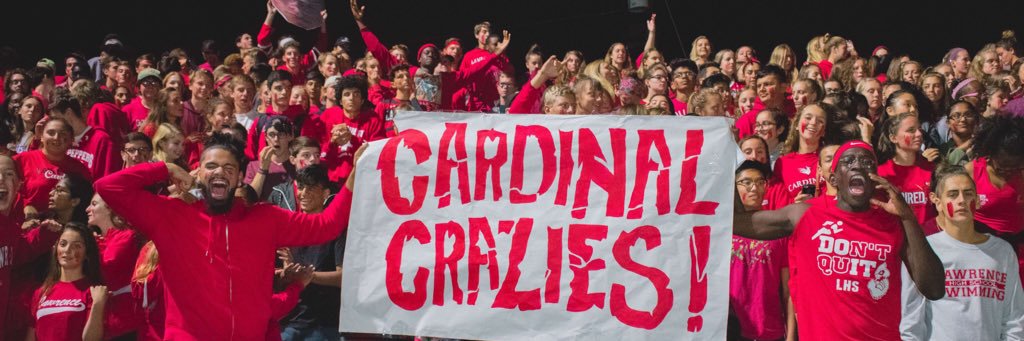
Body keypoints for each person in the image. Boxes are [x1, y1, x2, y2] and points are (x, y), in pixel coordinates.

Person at [93, 131, 356, 339]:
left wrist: (355, 175)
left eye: (229, 168)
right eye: (212, 166)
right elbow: (108, 187)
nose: (220, 172)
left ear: (240, 177)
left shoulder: (267, 218)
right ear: (198, 173)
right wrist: (166, 168)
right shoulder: (170, 215)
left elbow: (327, 225)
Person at [733, 140, 945, 339]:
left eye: (866, 162)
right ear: (833, 179)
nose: (857, 166)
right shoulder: (804, 215)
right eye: (848, 161)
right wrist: (723, 161)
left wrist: (907, 215)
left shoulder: (892, 223)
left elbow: (934, 289)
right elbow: (735, 221)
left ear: (875, 178)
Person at [901, 166, 1024, 340]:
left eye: (968, 194)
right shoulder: (923, 250)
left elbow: (1015, 319)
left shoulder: (1002, 252)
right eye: (952, 194)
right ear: (937, 202)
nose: (961, 200)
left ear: (978, 200)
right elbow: (911, 321)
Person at [269, 164, 344, 340]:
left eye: (311, 188)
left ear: (325, 194)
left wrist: (308, 276)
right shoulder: (288, 228)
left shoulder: (337, 230)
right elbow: (276, 281)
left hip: (324, 324)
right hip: (289, 322)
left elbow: (344, 278)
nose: (303, 193)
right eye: (301, 187)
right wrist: (287, 273)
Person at [0, 153, 61, 338]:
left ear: (20, 184)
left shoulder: (8, 225)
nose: (1, 179)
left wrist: (44, 233)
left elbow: (18, 252)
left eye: (9, 174)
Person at [729, 160, 790, 341]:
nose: (753, 187)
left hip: (770, 329)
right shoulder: (722, 229)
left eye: (759, 182)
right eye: (746, 182)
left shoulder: (778, 230)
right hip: (730, 328)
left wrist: (791, 336)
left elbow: (788, 291)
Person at [26, 222, 108, 341]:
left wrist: (98, 304)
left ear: (87, 253)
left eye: (76, 246)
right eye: (63, 244)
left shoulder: (94, 291)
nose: (67, 250)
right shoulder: (41, 292)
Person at [965, 116, 1024, 280]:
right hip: (980, 249)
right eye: (1002, 168)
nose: (1009, 172)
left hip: (1017, 249)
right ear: (989, 156)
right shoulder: (971, 172)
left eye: (1016, 168)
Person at [86, 193, 143, 338]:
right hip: (103, 317)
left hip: (126, 317)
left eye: (94, 204)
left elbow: (107, 266)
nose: (87, 209)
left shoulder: (127, 236)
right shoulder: (96, 242)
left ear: (110, 208)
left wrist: (91, 249)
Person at [15, 118, 93, 219]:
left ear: (71, 139)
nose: (56, 138)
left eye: (63, 134)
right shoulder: (21, 160)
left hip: (64, 228)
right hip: (24, 223)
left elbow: (85, 201)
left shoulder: (79, 169)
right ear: (41, 137)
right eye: (51, 133)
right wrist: (26, 205)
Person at [876, 113, 938, 226]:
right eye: (911, 130)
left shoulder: (932, 169)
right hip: (896, 237)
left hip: (928, 238)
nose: (919, 134)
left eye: (919, 129)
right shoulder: (881, 173)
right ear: (893, 138)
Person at [49, 87, 122, 179]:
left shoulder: (102, 140)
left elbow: (108, 179)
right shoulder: (60, 141)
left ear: (68, 113)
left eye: (56, 118)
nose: (54, 124)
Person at [736, 65, 795, 138]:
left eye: (767, 84)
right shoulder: (746, 121)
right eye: (758, 86)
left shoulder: (797, 111)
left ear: (783, 87)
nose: (761, 89)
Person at [246, 117, 296, 200]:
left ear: (290, 136)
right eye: (272, 135)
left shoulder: (297, 165)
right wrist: (262, 169)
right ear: (266, 137)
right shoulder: (253, 166)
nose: (276, 139)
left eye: (281, 134)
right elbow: (249, 199)